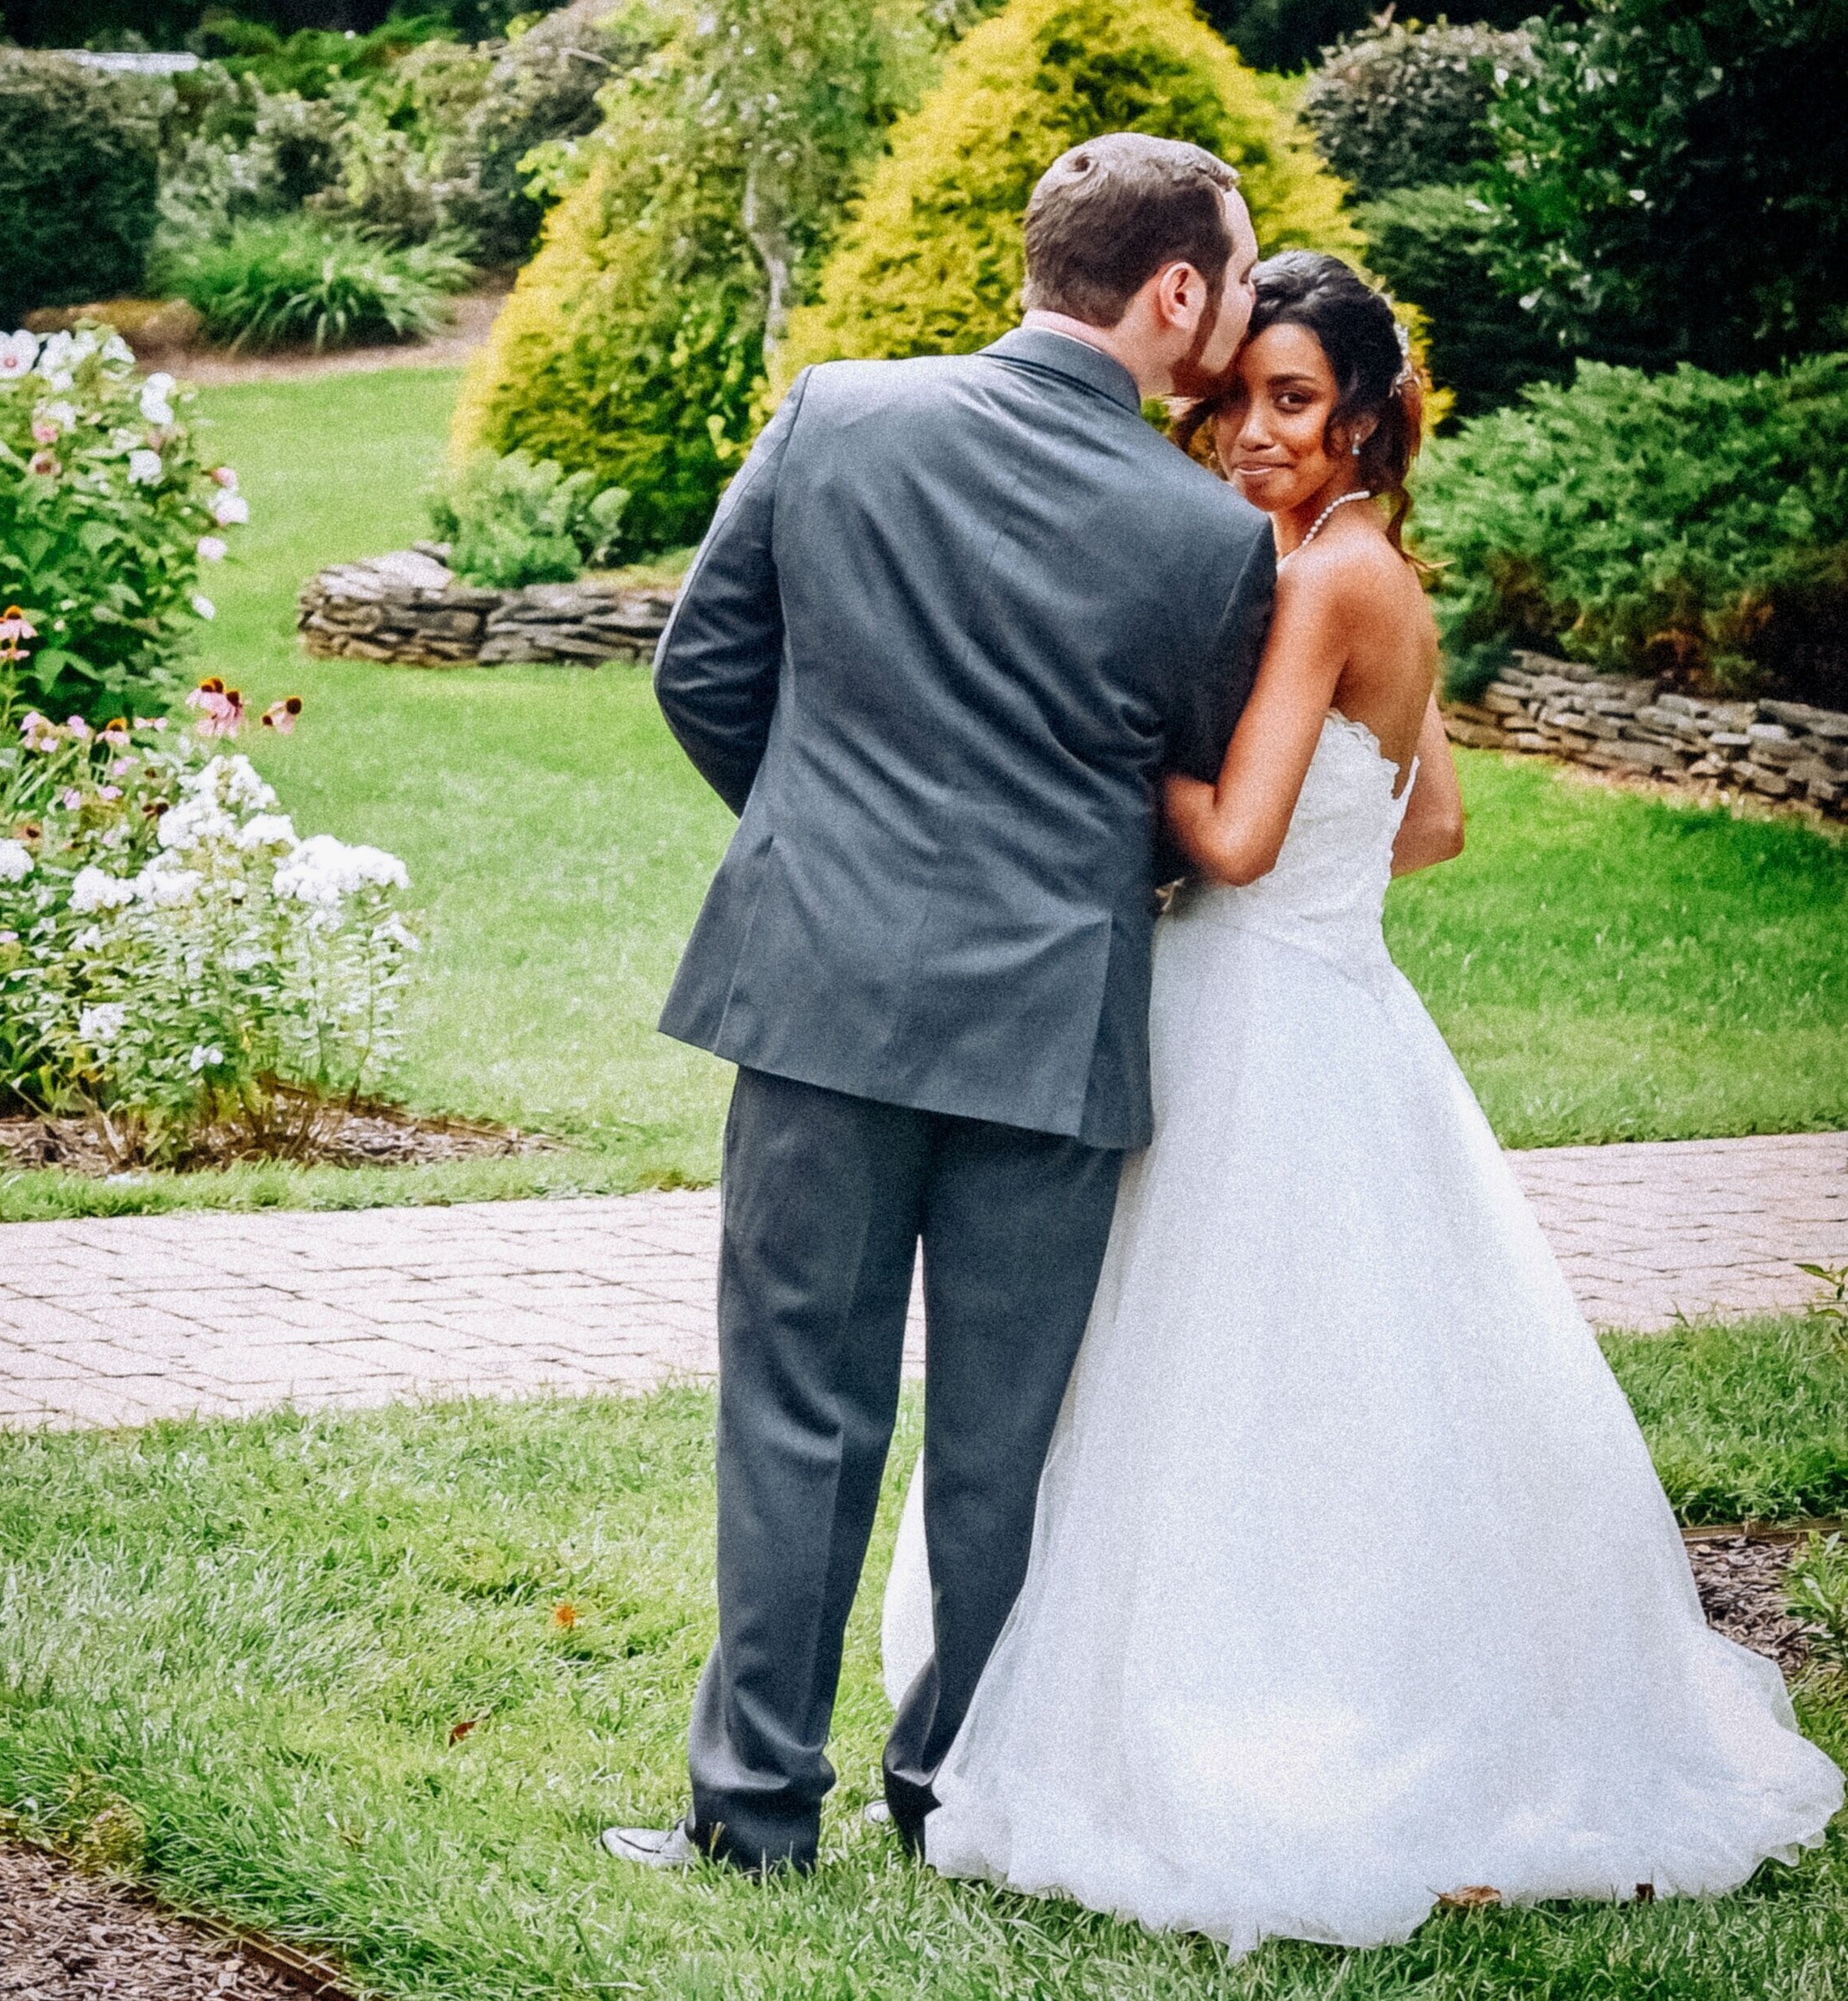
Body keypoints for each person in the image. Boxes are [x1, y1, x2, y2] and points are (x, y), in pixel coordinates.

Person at [881, 251, 1842, 1951]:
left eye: (1293, 403)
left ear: (1369, 418)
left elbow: (1237, 840)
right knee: (1313, 1375)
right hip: (1329, 1006)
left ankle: (1243, 1712)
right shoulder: (1354, 563)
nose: (1250, 431)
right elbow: (1431, 823)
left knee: (1219, 1374)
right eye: (1235, 396)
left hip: (1256, 1016)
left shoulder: (1326, 580)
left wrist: (1087, 742)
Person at [603, 134, 1276, 1873]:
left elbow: (703, 668)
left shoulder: (837, 412)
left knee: (791, 1410)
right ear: (1175, 291)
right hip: (1048, 1028)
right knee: (1003, 1440)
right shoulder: (1208, 539)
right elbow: (1192, 794)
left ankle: (750, 1816)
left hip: (816, 999)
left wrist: (819, 843)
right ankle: (956, 1802)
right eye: (1240, 271)